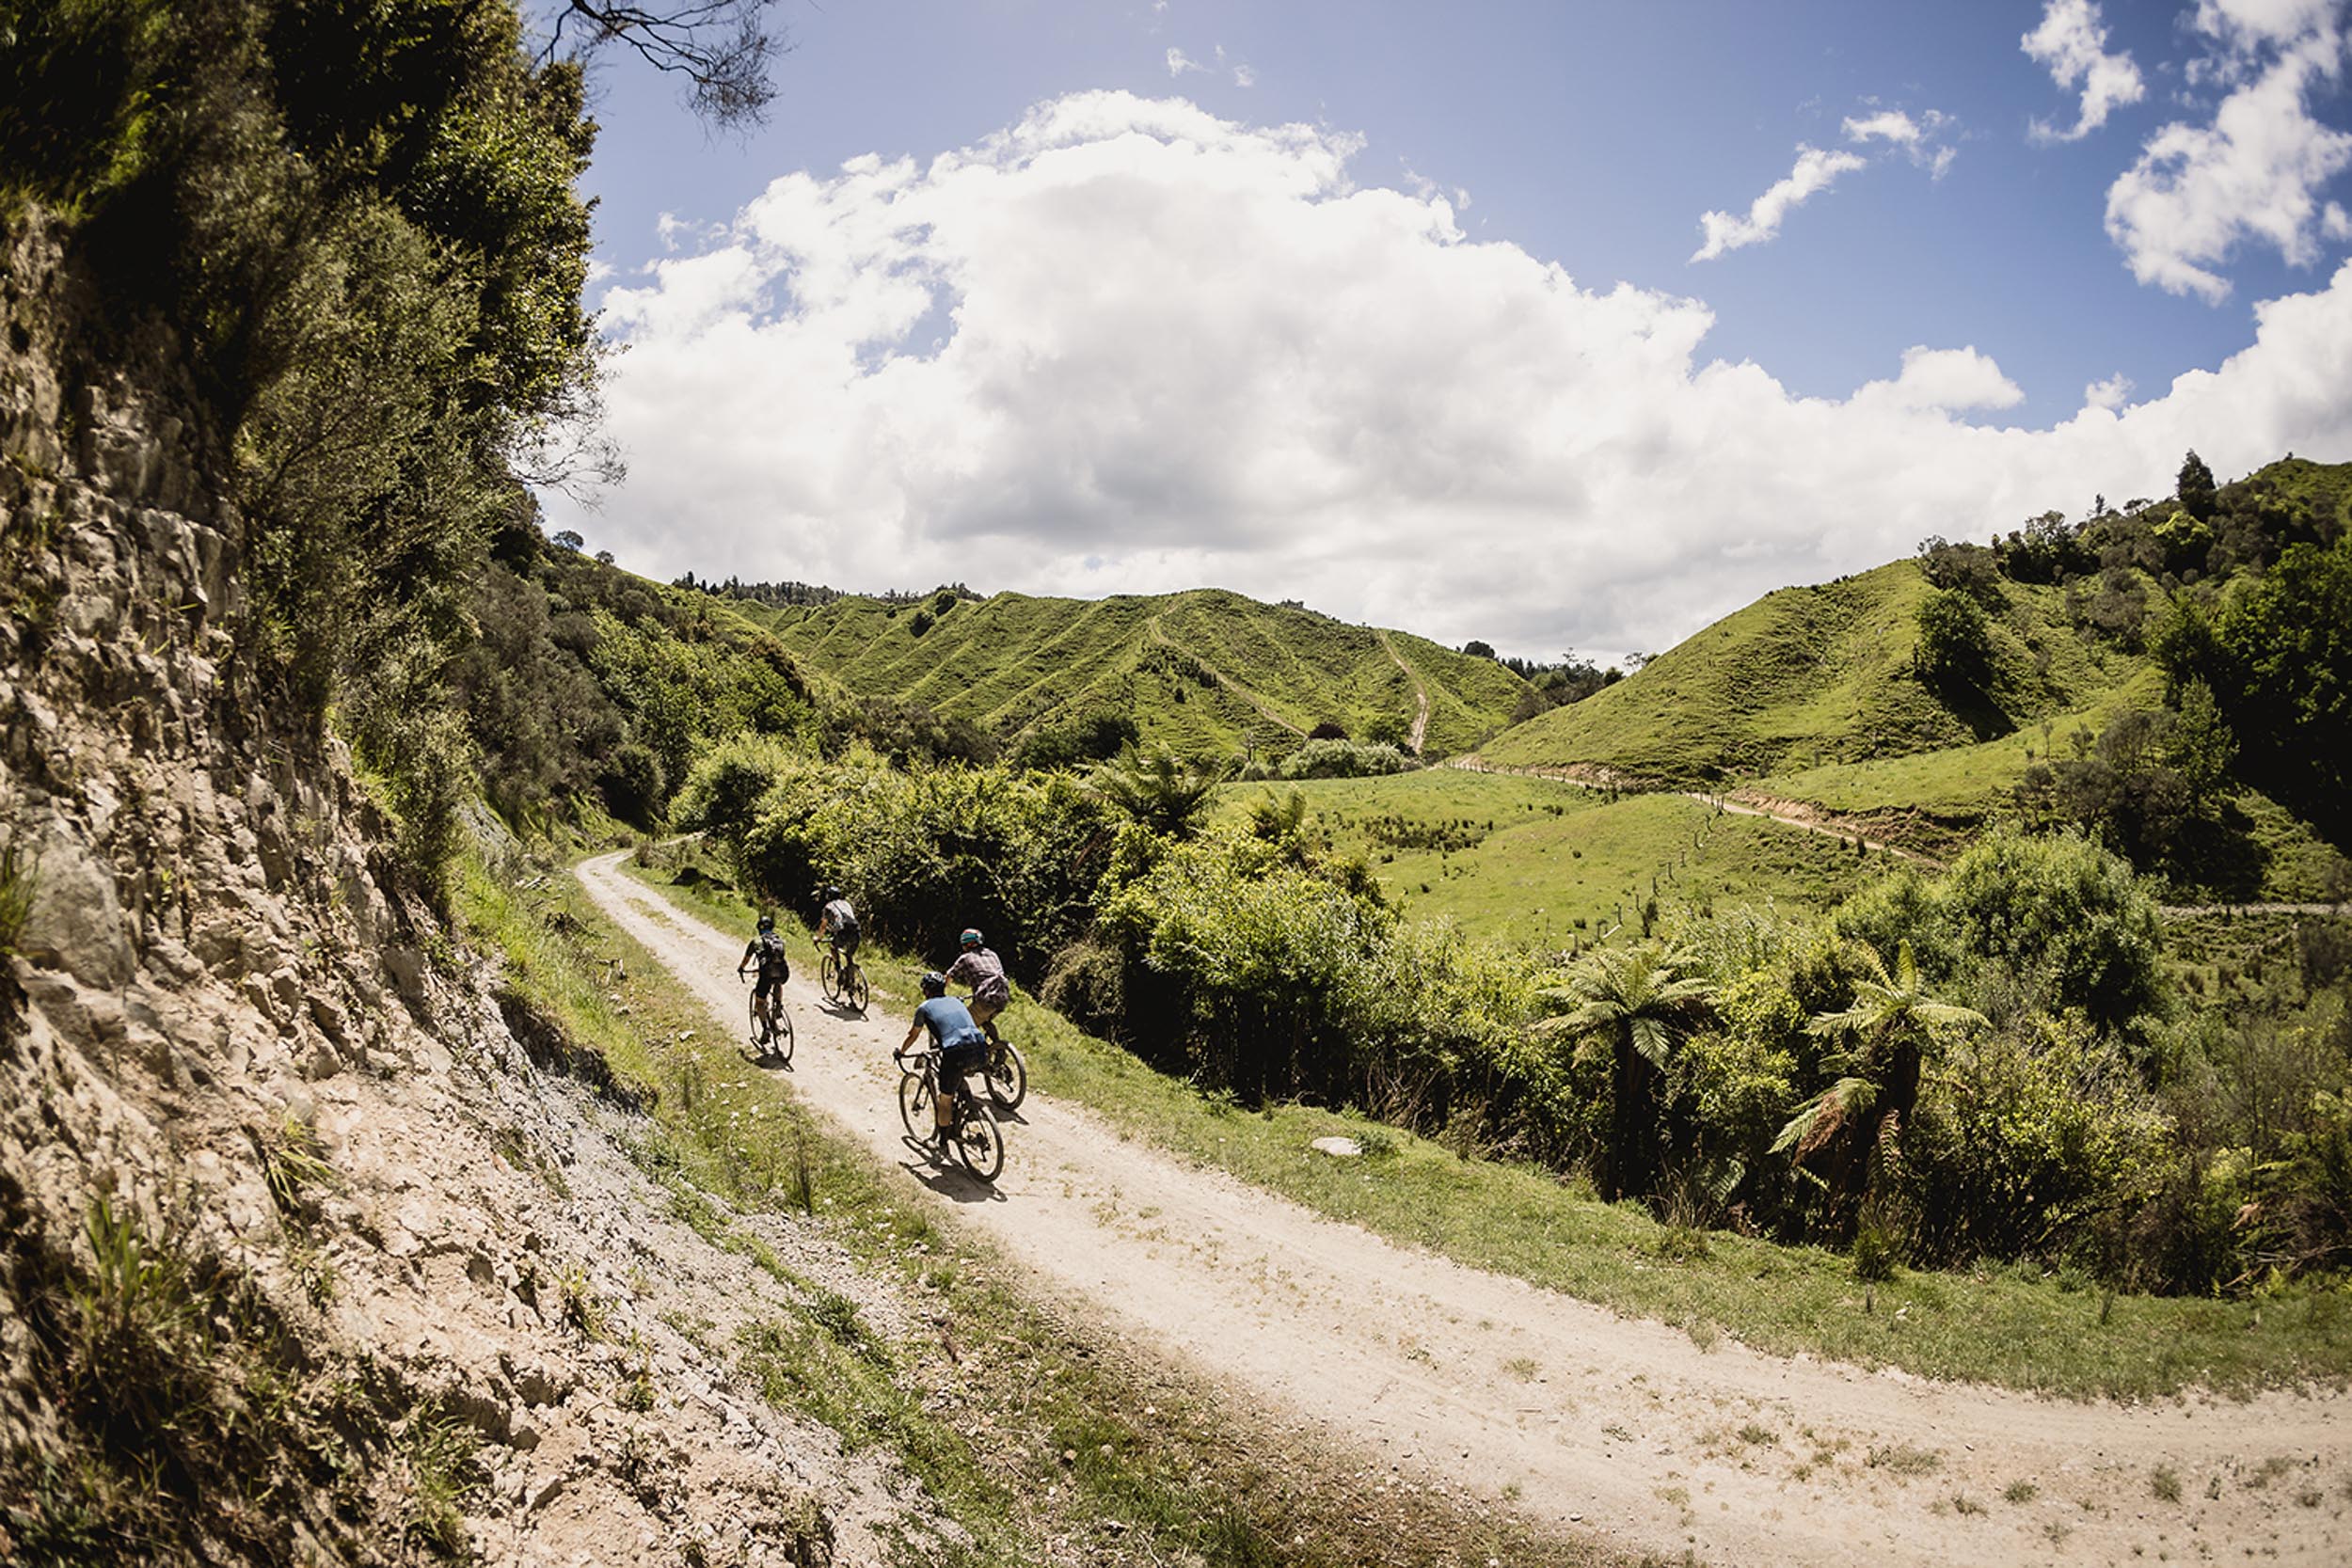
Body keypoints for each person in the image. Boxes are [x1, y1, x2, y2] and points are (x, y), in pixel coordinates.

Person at [899, 971, 987, 1147]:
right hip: (980, 1046)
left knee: (945, 1101)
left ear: (926, 991)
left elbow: (913, 1034)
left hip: (955, 1052)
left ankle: (943, 1143)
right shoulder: (956, 1001)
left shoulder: (924, 1008)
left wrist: (901, 1052)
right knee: (960, 1071)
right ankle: (969, 1104)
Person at [944, 927, 1010, 1043]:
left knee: (962, 1026)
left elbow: (949, 977)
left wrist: (940, 991)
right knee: (985, 1020)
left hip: (985, 998)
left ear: (967, 944)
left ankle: (965, 1051)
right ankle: (998, 1047)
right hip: (1002, 996)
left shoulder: (965, 958)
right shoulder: (992, 954)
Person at [737, 913, 789, 1039]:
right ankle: (778, 1005)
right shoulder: (778, 940)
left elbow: (746, 959)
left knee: (760, 1001)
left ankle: (765, 1029)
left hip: (766, 973)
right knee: (777, 982)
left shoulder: (756, 941)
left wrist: (741, 968)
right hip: (783, 971)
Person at [817, 884, 860, 972]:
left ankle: (838, 969)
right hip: (856, 931)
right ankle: (851, 974)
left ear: (829, 896)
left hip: (842, 932)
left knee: (833, 948)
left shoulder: (829, 906)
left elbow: (823, 925)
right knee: (849, 954)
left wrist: (818, 938)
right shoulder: (847, 904)